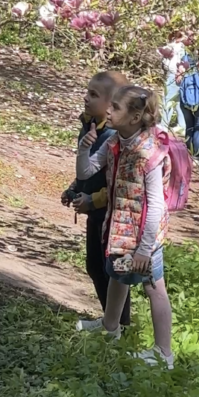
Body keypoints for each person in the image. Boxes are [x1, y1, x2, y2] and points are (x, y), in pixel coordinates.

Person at [75, 84, 175, 369]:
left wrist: (144, 250)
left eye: (115, 107)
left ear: (134, 117)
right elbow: (86, 172)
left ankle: (163, 353)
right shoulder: (115, 141)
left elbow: (156, 205)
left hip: (145, 236)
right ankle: (110, 327)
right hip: (121, 229)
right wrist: (84, 149)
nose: (109, 110)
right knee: (117, 275)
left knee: (154, 288)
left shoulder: (150, 154)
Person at [61, 71, 132, 328]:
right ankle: (109, 320)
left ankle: (121, 324)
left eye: (94, 95)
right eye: (87, 91)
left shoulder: (114, 138)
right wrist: (74, 189)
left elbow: (118, 185)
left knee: (112, 270)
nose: (86, 98)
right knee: (94, 265)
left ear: (113, 104)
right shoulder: (89, 127)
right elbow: (88, 170)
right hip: (95, 214)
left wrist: (92, 200)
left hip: (112, 216)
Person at [178, 54, 199, 166]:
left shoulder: (183, 65)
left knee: (189, 127)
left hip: (185, 102)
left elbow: (177, 83)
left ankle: (188, 155)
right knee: (198, 129)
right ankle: (197, 157)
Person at [160, 33, 186, 136]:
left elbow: (180, 62)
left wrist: (180, 73)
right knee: (177, 102)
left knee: (168, 100)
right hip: (174, 74)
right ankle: (182, 125)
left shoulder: (178, 47)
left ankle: (163, 127)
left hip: (174, 75)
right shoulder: (179, 47)